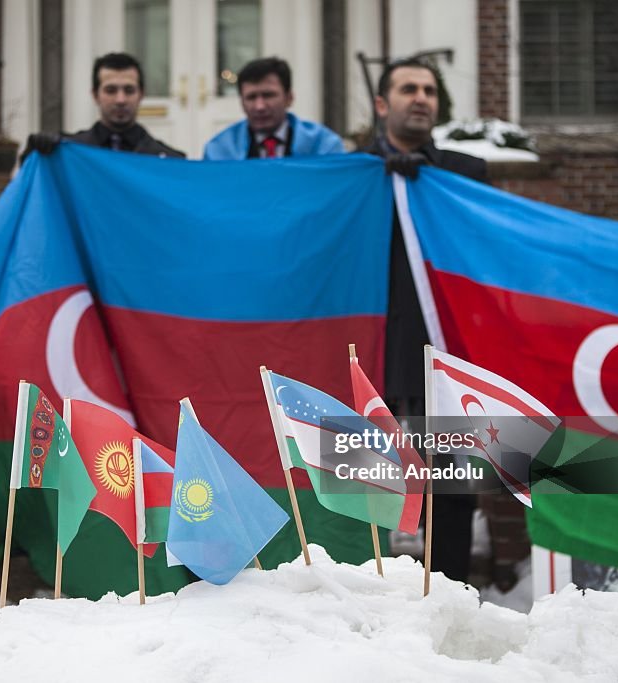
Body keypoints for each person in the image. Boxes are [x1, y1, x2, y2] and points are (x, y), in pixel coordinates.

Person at [364, 57, 489, 584]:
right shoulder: (352, 175)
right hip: (373, 356)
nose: (421, 98)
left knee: (455, 495)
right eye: (408, 88)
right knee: (366, 491)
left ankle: (454, 602)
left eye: (429, 91)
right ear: (381, 104)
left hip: (450, 358)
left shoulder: (467, 175)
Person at [23, 52, 184, 160]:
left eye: (129, 90)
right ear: (95, 94)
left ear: (141, 94)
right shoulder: (67, 151)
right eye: (110, 90)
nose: (120, 99)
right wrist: (33, 154)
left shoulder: (168, 160)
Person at [203, 57, 344, 160]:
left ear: (289, 98)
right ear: (241, 102)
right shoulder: (220, 150)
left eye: (268, 95)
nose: (260, 106)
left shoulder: (323, 146)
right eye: (251, 97)